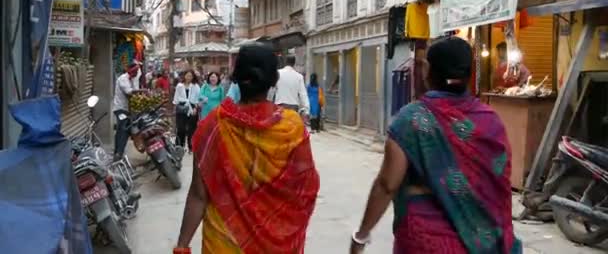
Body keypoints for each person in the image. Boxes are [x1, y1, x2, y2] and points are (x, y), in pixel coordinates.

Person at [350, 37, 521, 254]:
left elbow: (386, 184)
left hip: (425, 243)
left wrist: (361, 235)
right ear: (469, 74)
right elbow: (498, 182)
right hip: (482, 244)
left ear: (427, 71)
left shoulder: (411, 119)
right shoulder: (491, 121)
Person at [175, 43, 320, 253]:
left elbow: (198, 194)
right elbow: (305, 189)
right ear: (273, 81)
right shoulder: (292, 127)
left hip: (223, 243)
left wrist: (181, 246)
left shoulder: (213, 125)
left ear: (235, 78)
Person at [112, 63, 141, 160]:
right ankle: (118, 153)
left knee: (123, 130)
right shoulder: (123, 79)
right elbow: (129, 92)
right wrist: (143, 91)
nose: (137, 73)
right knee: (123, 128)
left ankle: (118, 151)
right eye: (135, 71)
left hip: (128, 110)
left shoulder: (133, 79)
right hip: (120, 109)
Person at [173, 70, 201, 153]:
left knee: (192, 129)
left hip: (192, 107)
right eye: (187, 75)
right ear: (184, 76)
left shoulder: (196, 86)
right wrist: (175, 107)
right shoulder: (179, 85)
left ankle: (191, 147)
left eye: (190, 76)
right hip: (181, 107)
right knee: (180, 128)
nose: (189, 77)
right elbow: (176, 97)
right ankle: (179, 146)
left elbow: (198, 98)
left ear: (193, 77)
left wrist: (196, 108)